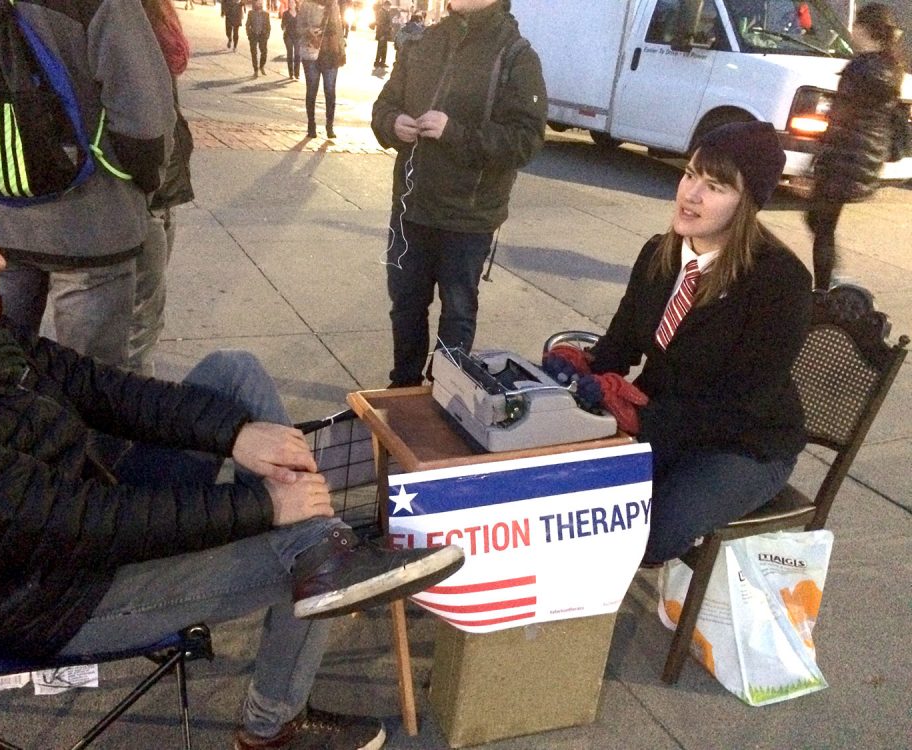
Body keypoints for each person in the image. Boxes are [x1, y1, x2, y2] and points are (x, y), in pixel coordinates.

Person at [0, 153, 465, 749]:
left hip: (92, 501)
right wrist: (266, 507)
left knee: (234, 374)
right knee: (293, 556)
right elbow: (79, 521)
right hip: (52, 596)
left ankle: (320, 551)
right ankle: (274, 723)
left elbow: (103, 389)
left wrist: (234, 435)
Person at [552, 122, 812, 565]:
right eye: (690, 174)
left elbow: (744, 403)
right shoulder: (660, 254)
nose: (691, 194)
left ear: (746, 203)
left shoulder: (779, 281)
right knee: (565, 497)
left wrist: (639, 417)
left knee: (649, 534)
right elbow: (618, 347)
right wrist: (576, 370)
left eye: (714, 186)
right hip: (665, 420)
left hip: (743, 442)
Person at [0, 0, 175, 368]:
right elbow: (145, 121)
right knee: (99, 386)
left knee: (0, 374)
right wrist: (144, 185)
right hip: (94, 226)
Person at [371, 0, 547, 387]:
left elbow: (526, 141)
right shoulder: (423, 42)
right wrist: (390, 123)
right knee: (406, 307)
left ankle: (446, 393)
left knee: (458, 312)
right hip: (411, 208)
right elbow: (384, 104)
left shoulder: (517, 56)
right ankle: (403, 386)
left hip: (468, 218)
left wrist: (456, 134)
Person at [805, 3, 905, 290]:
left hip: (845, 157)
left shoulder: (862, 69)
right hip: (862, 157)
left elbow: (842, 120)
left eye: (856, 26)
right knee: (819, 221)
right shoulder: (889, 67)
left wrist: (820, 157)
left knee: (821, 225)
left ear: (866, 30)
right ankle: (830, 280)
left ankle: (824, 289)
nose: (851, 32)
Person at [129, 0, 196, 378]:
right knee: (139, 324)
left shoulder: (150, 15)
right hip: (142, 191)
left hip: (157, 186)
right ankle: (131, 417)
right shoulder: (123, 16)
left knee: (142, 319)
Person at [298, 0, 347, 139]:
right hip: (312, 52)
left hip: (331, 54)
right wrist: (310, 33)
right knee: (312, 90)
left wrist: (341, 51)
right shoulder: (307, 4)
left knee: (330, 91)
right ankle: (311, 125)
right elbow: (299, 27)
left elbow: (339, 30)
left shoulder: (334, 5)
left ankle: (329, 126)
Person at [246, 0, 273, 76]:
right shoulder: (251, 13)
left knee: (264, 52)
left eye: (260, 3)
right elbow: (247, 24)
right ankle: (255, 69)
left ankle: (261, 66)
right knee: (254, 53)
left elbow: (268, 26)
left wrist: (267, 35)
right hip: (253, 35)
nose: (259, 4)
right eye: (257, 3)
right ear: (255, 4)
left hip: (262, 35)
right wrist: (249, 34)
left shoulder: (266, 14)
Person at [282, 0, 303, 81]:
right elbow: (282, 24)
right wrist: (283, 27)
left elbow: (303, 23)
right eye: (289, 3)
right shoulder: (285, 14)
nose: (291, 4)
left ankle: (296, 73)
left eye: (292, 2)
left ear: (295, 4)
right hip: (288, 36)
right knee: (290, 54)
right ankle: (291, 73)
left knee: (297, 54)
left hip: (298, 36)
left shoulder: (300, 13)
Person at [373, 1, 393, 69]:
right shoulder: (381, 12)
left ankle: (382, 62)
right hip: (382, 33)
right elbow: (380, 24)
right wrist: (381, 35)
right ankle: (377, 62)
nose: (389, 7)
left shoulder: (386, 12)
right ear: (385, 5)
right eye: (388, 6)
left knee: (384, 48)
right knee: (380, 48)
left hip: (385, 33)